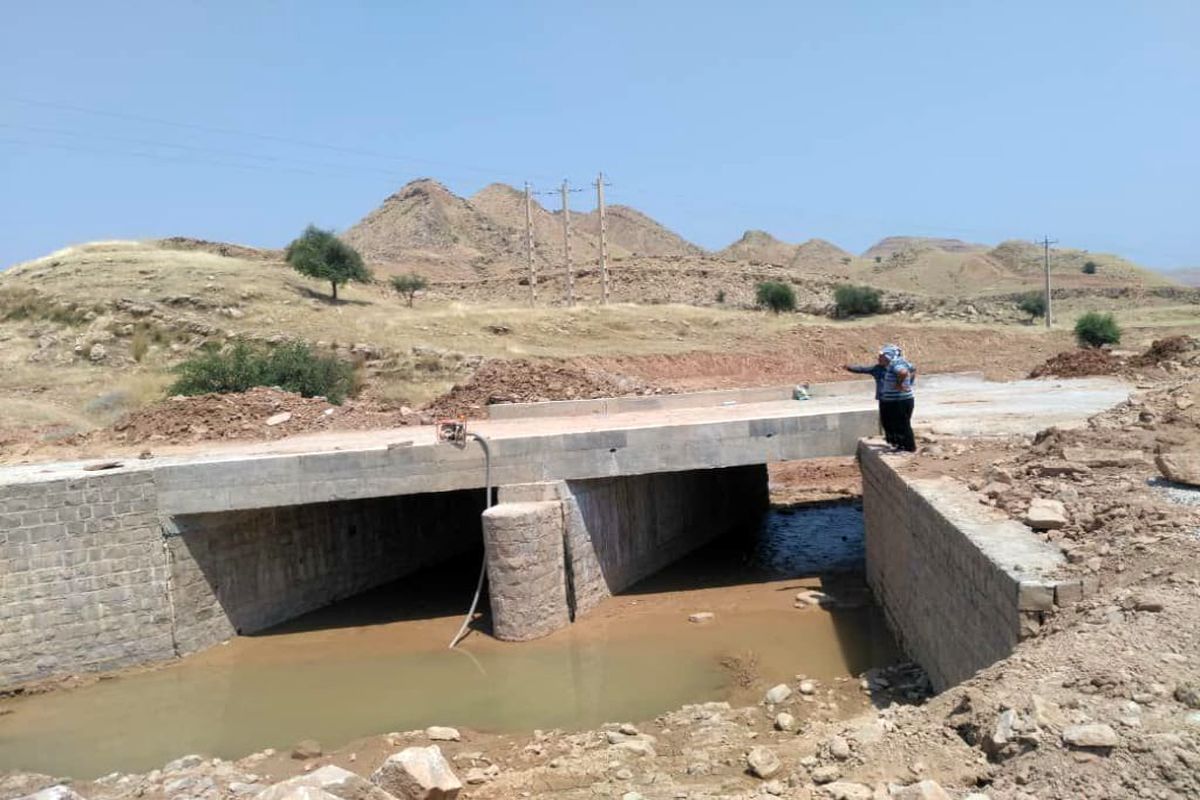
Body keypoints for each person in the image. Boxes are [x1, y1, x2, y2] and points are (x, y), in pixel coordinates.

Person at [845, 344, 916, 452]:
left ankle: (907, 447)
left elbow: (903, 372)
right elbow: (912, 369)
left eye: (881, 356)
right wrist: (909, 382)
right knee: (891, 423)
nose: (878, 358)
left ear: (888, 356)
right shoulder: (893, 364)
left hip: (897, 401)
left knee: (900, 423)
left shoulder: (895, 364)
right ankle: (898, 444)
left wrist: (900, 384)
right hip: (891, 399)